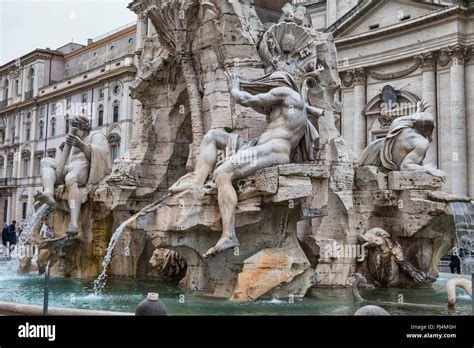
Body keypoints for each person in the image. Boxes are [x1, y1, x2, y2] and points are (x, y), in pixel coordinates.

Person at [170, 71, 324, 258]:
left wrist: (234, 87)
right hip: (259, 146)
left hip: (274, 149)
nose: (267, 90)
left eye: (268, 86)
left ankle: (229, 236)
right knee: (212, 136)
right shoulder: (286, 105)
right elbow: (260, 104)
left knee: (222, 173)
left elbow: (246, 99)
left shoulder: (286, 93)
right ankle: (197, 183)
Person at [35, 115, 112, 235]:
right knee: (46, 161)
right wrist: (68, 145)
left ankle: (74, 223)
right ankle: (49, 193)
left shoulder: (96, 136)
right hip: (72, 166)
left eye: (77, 128)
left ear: (84, 127)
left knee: (70, 178)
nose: (75, 131)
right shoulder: (74, 138)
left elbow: (103, 155)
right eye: (73, 128)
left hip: (86, 167)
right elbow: (63, 162)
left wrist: (81, 145)